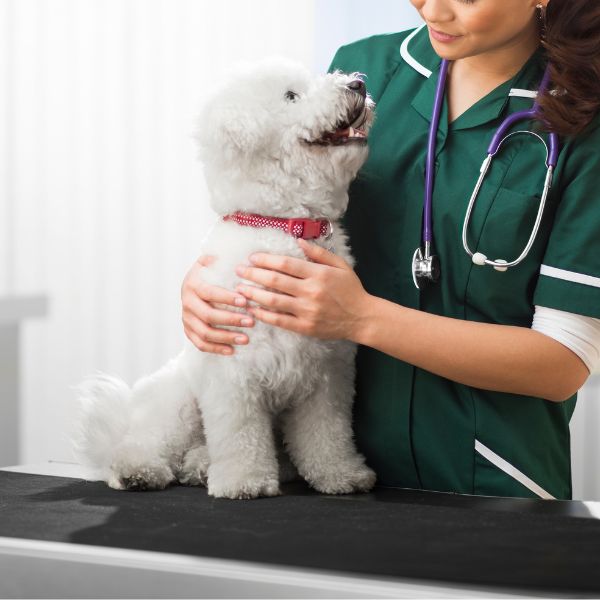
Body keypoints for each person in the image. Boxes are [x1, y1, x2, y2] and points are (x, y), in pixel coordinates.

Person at [180, 0, 600, 500]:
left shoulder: (580, 119)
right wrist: (212, 281)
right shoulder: (366, 73)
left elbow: (562, 363)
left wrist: (363, 319)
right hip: (325, 482)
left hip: (490, 484)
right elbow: (276, 202)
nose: (434, 10)